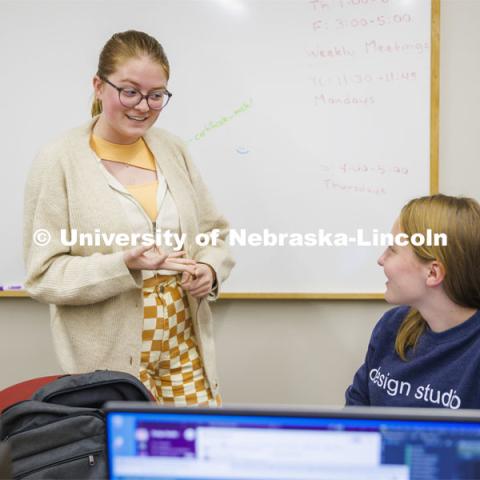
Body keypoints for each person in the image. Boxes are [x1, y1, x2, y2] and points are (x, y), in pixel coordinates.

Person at [23, 30, 234, 406]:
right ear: (98, 86)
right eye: (130, 91)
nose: (143, 106)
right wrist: (123, 264)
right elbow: (44, 276)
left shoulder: (172, 149)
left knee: (194, 453)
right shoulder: (59, 160)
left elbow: (214, 232)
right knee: (129, 459)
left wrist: (210, 269)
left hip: (184, 347)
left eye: (157, 95)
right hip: (108, 363)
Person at [346, 194, 480, 409]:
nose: (381, 259)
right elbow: (355, 411)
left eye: (392, 250)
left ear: (433, 272)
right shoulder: (391, 326)